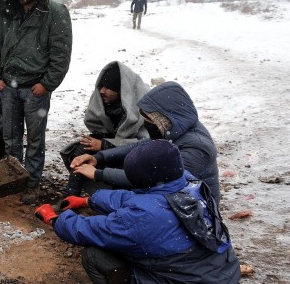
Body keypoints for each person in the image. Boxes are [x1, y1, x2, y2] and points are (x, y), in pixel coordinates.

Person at [35, 140, 240, 284]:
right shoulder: (189, 184)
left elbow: (88, 230)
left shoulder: (146, 216)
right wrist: (90, 201)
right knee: (139, 249)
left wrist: (56, 219)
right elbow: (133, 198)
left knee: (95, 256)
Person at [0, 0, 73, 203]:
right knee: (11, 139)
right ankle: (14, 180)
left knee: (35, 141)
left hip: (35, 89)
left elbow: (61, 54)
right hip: (9, 87)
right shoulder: (10, 12)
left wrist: (46, 84)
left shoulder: (54, 14)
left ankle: (32, 183)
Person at [71, 81, 221, 203]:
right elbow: (142, 146)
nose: (147, 124)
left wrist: (99, 174)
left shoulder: (196, 147)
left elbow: (155, 178)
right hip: (176, 196)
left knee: (133, 211)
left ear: (163, 118)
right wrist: (99, 158)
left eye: (149, 120)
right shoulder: (176, 130)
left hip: (193, 210)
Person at [60, 62, 150, 196]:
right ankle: (71, 197)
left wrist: (105, 145)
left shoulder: (144, 107)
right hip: (114, 149)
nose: (102, 91)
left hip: (138, 157)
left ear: (121, 90)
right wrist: (97, 141)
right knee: (81, 150)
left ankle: (119, 197)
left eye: (108, 88)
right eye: (101, 86)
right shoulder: (107, 104)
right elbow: (101, 130)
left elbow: (146, 145)